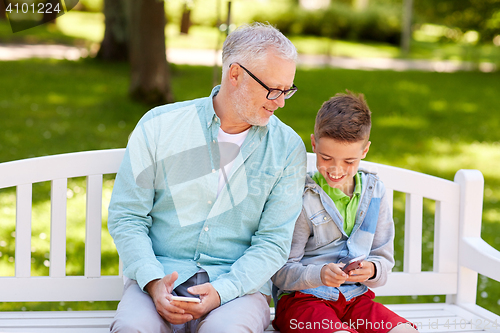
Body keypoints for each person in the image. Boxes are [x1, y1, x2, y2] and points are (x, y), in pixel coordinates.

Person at [107, 22, 306, 333]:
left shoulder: (287, 147)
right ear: (235, 74)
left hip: (236, 290)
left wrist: (222, 291)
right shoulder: (159, 126)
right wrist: (153, 281)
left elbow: (273, 242)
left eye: (287, 90)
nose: (280, 102)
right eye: (273, 89)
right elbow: (128, 216)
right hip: (158, 278)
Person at [271, 91, 418, 333]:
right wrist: (318, 275)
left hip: (354, 300)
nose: (336, 170)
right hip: (303, 303)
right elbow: (280, 272)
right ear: (314, 144)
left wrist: (371, 270)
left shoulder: (375, 193)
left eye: (349, 161)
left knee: (404, 331)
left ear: (365, 150)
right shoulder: (301, 197)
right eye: (326, 157)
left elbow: (383, 261)